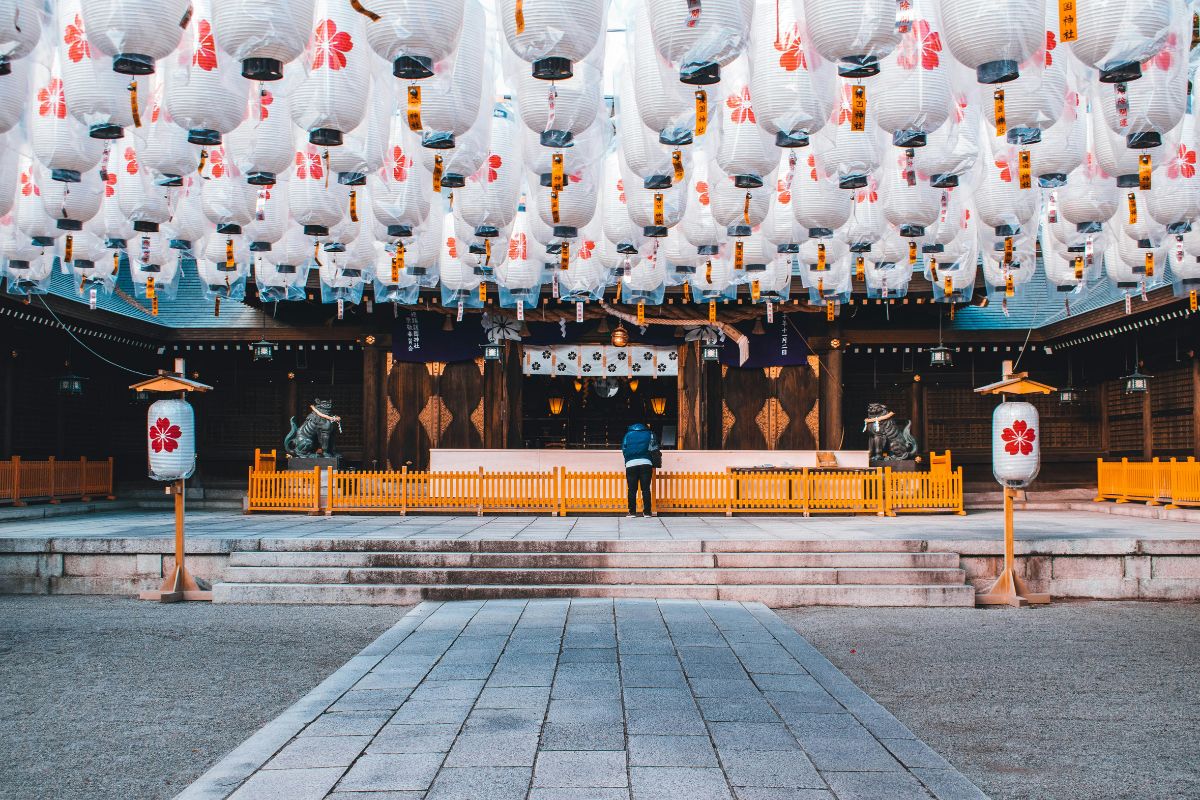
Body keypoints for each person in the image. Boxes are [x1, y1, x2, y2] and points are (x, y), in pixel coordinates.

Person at [621, 422, 659, 517]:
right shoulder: (650, 434)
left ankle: (632, 512)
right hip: (646, 463)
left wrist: (628, 458)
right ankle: (647, 512)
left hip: (631, 464)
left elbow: (624, 449)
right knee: (645, 489)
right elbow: (654, 447)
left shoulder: (628, 435)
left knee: (632, 490)